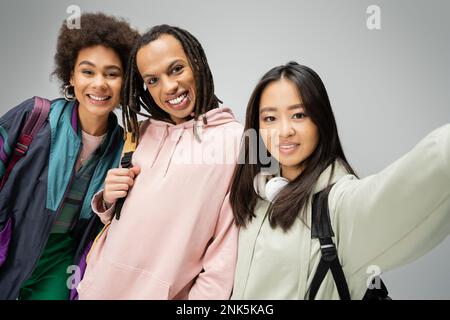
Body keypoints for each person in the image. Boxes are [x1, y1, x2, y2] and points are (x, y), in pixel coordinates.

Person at [230, 61, 450, 299]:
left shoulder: (339, 205)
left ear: (320, 121)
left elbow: (410, 182)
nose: (284, 131)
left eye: (298, 115)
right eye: (270, 118)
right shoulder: (252, 195)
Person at [76, 24, 243, 300]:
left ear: (197, 63)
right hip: (97, 288)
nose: (168, 87)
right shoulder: (140, 134)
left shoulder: (238, 142)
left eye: (176, 69)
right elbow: (122, 219)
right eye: (152, 80)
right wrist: (107, 198)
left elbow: (225, 254)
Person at [0, 13, 139, 300]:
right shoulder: (34, 117)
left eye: (112, 74)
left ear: (125, 82)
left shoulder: (127, 148)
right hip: (8, 246)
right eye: (88, 72)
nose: (99, 83)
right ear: (71, 76)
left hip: (60, 264)